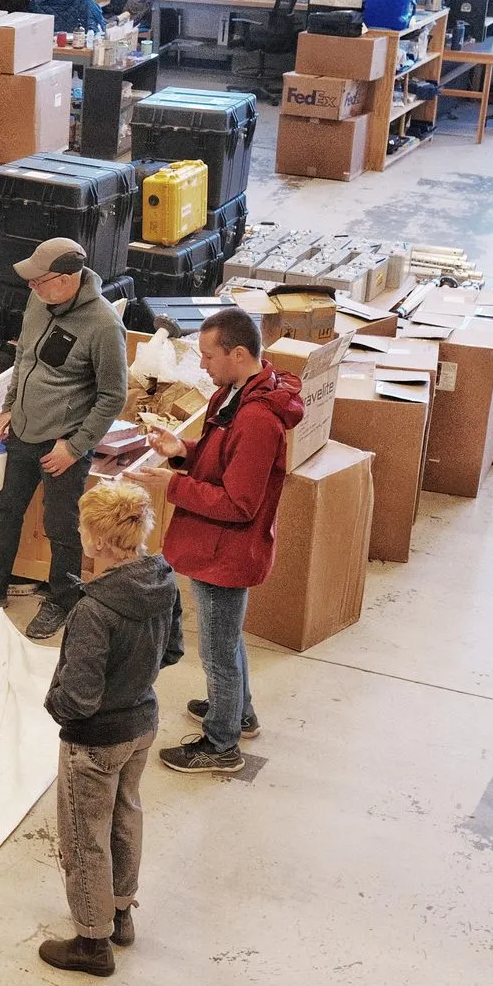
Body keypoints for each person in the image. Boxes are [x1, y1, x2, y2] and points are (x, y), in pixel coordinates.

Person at [136, 307, 304, 775]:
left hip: (226, 550)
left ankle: (221, 744)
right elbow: (220, 460)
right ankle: (239, 712)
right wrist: (181, 452)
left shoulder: (256, 420)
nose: (203, 365)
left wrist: (171, 487)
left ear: (239, 353)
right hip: (216, 546)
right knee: (228, 641)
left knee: (217, 652)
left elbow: (239, 503)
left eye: (209, 356)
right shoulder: (234, 394)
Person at [0, 238, 128, 640]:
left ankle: (63, 600)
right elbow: (24, 356)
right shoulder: (39, 302)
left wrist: (74, 448)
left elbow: (114, 396)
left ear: (66, 281)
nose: (31, 287)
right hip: (23, 430)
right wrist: (11, 406)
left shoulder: (103, 325)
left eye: (39, 281)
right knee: (3, 511)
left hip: (63, 444)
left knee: (62, 527)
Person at [37, 480, 182, 976]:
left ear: (97, 541)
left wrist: (53, 703)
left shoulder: (94, 609)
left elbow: (78, 698)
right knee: (126, 817)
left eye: (81, 527)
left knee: (84, 837)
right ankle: (121, 914)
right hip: (141, 723)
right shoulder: (163, 580)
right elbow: (174, 651)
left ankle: (92, 941)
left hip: (96, 741)